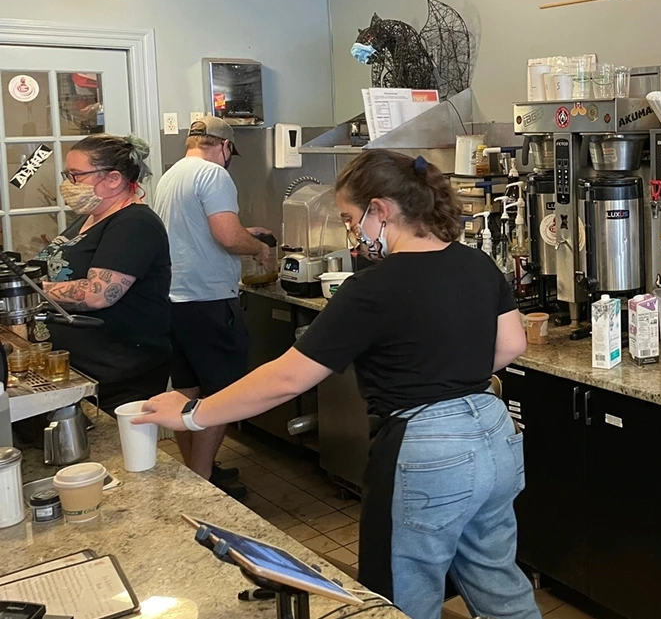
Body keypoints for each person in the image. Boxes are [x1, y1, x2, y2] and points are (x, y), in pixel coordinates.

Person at [138, 150, 541, 619]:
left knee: (402, 596)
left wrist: (192, 414)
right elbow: (512, 344)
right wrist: (446, 369)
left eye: (351, 219)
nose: (353, 231)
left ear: (380, 210)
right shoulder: (476, 263)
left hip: (427, 447)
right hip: (494, 434)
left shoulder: (371, 287)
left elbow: (286, 377)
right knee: (496, 580)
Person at [152, 116, 270, 498]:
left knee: (186, 392)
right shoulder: (214, 174)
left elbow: (194, 233)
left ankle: (194, 473)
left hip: (174, 300)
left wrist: (243, 232)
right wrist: (258, 246)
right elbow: (227, 237)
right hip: (209, 299)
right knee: (221, 395)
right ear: (224, 146)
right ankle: (203, 488)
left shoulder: (171, 176)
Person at [38, 134, 172, 410]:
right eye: (67, 175)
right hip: (82, 368)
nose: (68, 184)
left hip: (119, 373)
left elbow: (98, 294)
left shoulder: (135, 224)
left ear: (113, 179)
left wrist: (34, 291)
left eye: (76, 175)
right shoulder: (88, 218)